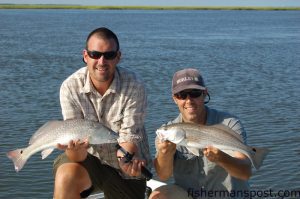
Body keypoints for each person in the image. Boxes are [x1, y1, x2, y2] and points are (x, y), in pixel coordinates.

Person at [53, 27, 152, 199]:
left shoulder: (135, 85)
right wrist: (74, 150)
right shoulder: (70, 87)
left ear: (118, 57)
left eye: (109, 55)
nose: (101, 61)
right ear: (85, 56)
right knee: (66, 176)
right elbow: (77, 155)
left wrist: (126, 160)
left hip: (127, 170)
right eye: (95, 54)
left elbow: (130, 136)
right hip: (89, 160)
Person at [150, 68, 252, 199]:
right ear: (175, 98)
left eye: (195, 93)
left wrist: (223, 158)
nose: (189, 100)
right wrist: (165, 153)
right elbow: (163, 175)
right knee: (158, 196)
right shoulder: (167, 131)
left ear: (205, 94)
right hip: (192, 195)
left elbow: (244, 171)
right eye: (182, 95)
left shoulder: (229, 124)